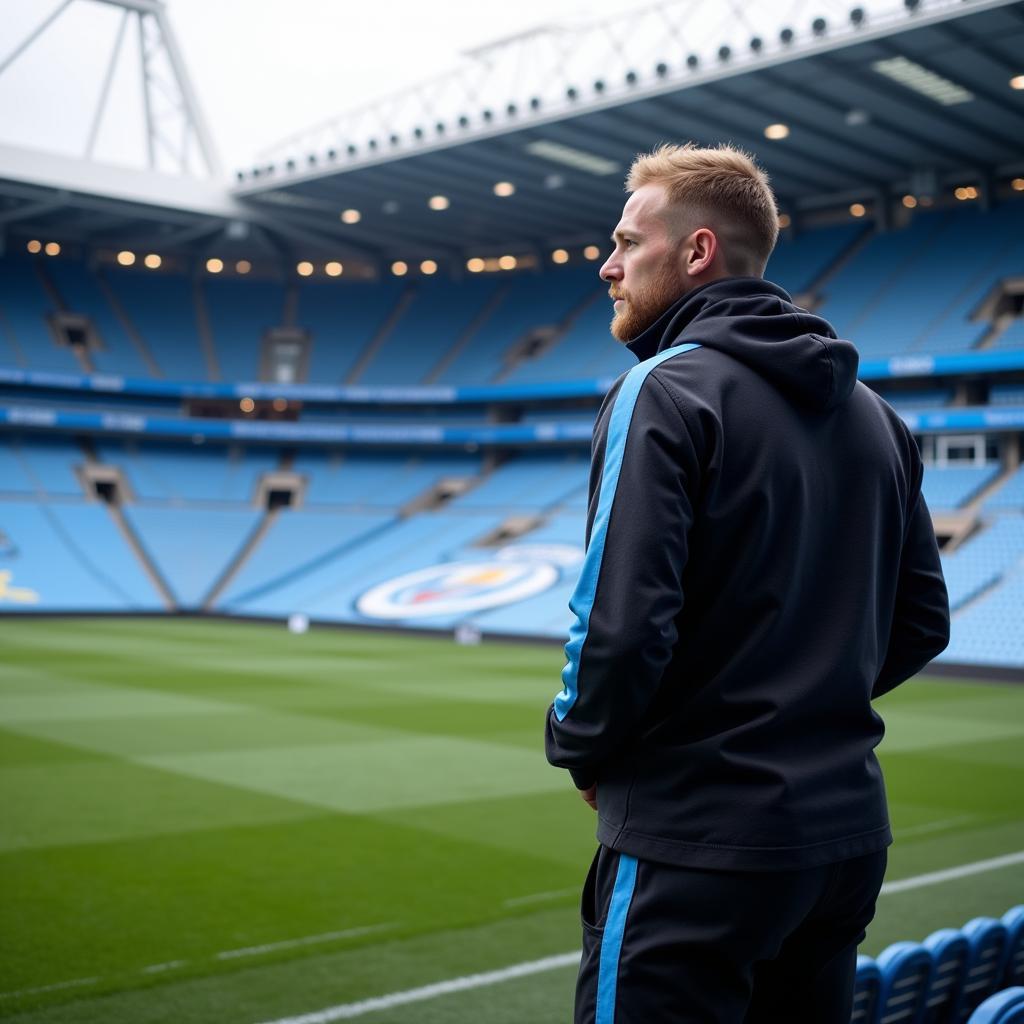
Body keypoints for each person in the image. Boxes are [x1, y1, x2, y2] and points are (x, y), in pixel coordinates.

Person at [544, 143, 950, 1024]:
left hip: (695, 845)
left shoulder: (664, 390)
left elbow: (620, 627)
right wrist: (794, 700)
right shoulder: (879, 417)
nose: (606, 267)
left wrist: (580, 742)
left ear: (695, 253)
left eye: (625, 242)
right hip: (841, 845)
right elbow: (920, 620)